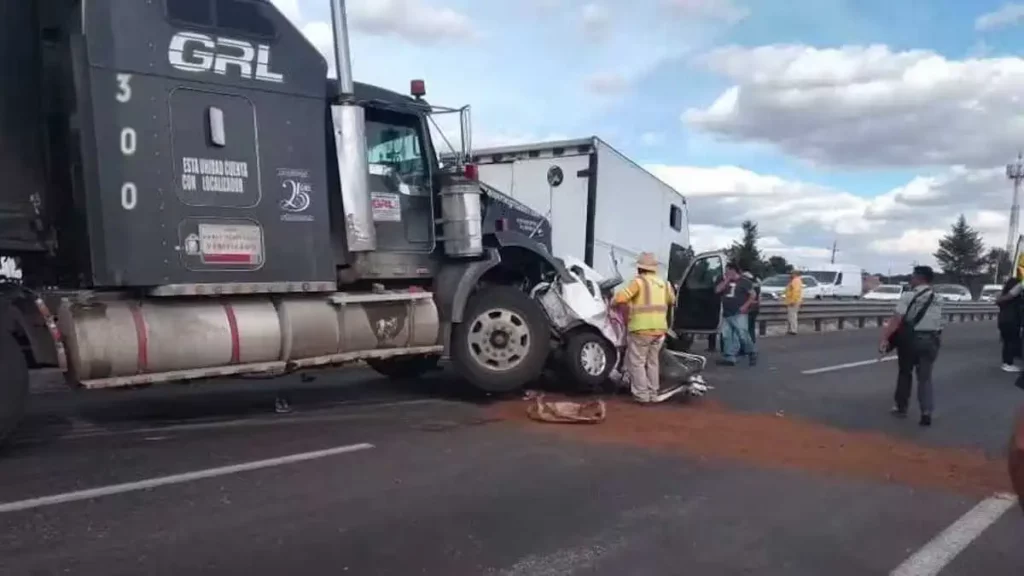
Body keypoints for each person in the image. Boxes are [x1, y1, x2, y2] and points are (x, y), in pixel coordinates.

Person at [878, 265, 943, 427]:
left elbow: (897, 319)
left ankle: (901, 407)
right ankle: (926, 411)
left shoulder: (908, 295)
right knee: (925, 378)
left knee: (905, 373)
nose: (911, 279)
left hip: (911, 340)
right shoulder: (938, 298)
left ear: (919, 278)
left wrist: (885, 338)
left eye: (913, 276)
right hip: (931, 340)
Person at [613, 252, 675, 403]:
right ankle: (653, 393)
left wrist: (613, 302)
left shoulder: (638, 282)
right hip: (660, 330)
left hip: (641, 329)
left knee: (638, 362)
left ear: (640, 268)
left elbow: (620, 298)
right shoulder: (664, 284)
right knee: (653, 362)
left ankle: (642, 395)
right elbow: (672, 300)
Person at [715, 262, 757, 366]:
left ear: (733, 270)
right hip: (726, 313)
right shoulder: (725, 281)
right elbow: (717, 290)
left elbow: (753, 295)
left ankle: (751, 352)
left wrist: (745, 306)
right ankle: (729, 357)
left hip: (739, 312)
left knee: (743, 334)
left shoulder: (744, 282)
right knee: (727, 336)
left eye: (727, 270)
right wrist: (726, 280)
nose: (725, 272)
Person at [996, 275, 1022, 373]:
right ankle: (1008, 364)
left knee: (1007, 342)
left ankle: (1006, 363)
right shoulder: (1012, 297)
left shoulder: (1004, 297)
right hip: (1011, 321)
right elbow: (1014, 292)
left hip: (1003, 320)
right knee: (1011, 341)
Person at [783, 269, 803, 335]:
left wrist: (793, 301)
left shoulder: (796, 280)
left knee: (792, 316)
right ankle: (791, 329)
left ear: (795, 274)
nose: (790, 275)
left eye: (791, 273)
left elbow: (796, 291)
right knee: (791, 316)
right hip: (793, 300)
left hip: (793, 301)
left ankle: (793, 330)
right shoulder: (795, 280)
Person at [744, 271, 762, 343]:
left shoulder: (746, 283)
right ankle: (752, 342)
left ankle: (747, 345)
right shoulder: (757, 282)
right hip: (756, 307)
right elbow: (759, 296)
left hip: (748, 307)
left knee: (746, 328)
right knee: (751, 327)